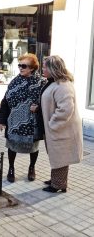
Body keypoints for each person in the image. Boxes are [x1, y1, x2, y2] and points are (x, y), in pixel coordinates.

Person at [0, 53, 46, 183]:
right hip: (14, 122)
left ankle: (32, 168)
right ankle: (11, 169)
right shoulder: (14, 82)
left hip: (32, 122)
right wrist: (1, 120)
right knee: (12, 146)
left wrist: (38, 108)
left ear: (32, 68)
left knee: (33, 147)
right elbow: (5, 101)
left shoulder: (42, 82)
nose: (20, 68)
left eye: (23, 66)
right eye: (19, 65)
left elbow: (48, 103)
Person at [39, 55, 83, 193]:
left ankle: (58, 185)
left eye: (45, 67)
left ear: (53, 69)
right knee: (57, 155)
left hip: (62, 130)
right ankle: (57, 180)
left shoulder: (63, 86)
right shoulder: (54, 82)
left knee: (61, 157)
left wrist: (53, 124)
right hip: (57, 130)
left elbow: (65, 110)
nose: (43, 69)